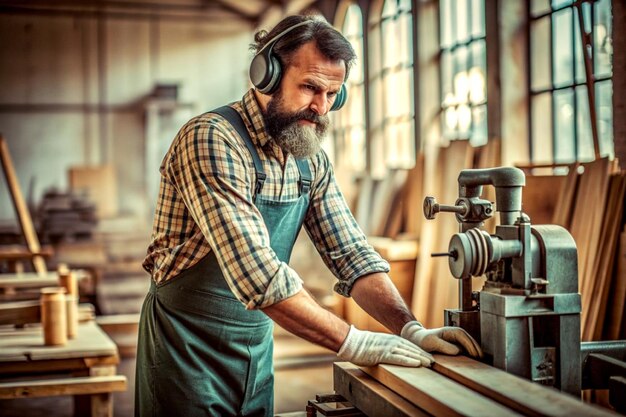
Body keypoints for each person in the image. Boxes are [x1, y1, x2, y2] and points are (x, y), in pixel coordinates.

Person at [135, 14, 482, 417]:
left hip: (254, 349)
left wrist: (411, 329)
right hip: (185, 350)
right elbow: (258, 275)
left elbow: (352, 254)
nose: (320, 107)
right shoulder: (212, 139)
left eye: (332, 93)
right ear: (266, 75)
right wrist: (358, 344)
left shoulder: (309, 160)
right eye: (310, 87)